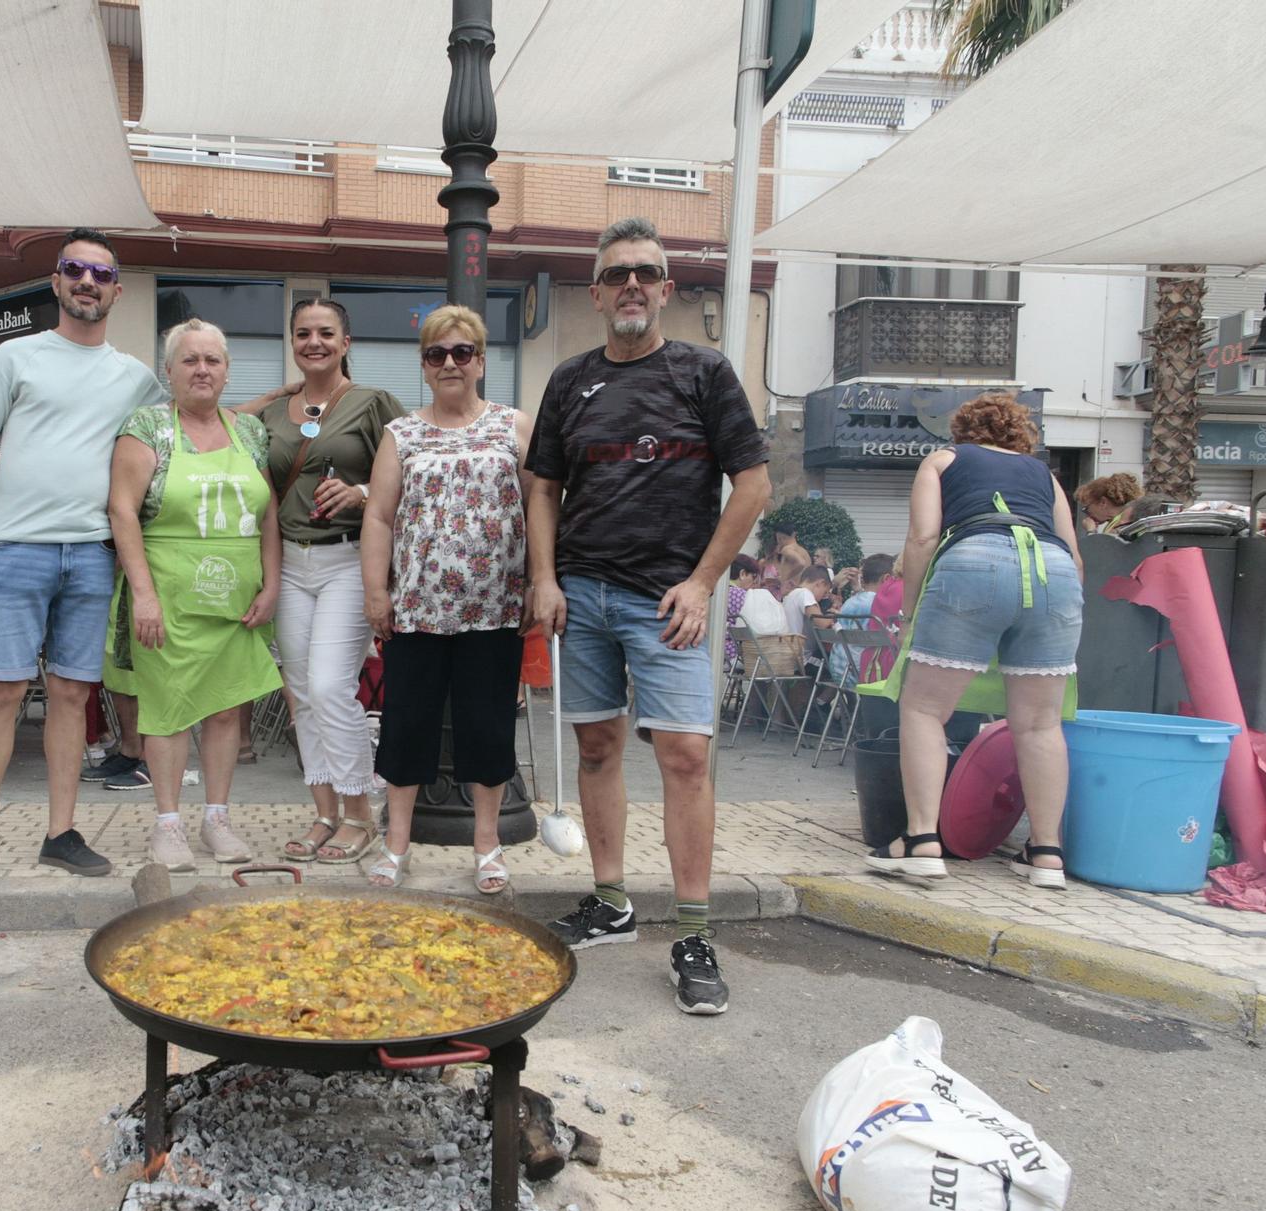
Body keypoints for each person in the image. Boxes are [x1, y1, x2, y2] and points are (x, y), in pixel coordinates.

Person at [525, 216, 772, 1018]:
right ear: (596, 294)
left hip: (669, 601)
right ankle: (609, 901)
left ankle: (694, 933)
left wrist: (703, 583)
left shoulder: (705, 373)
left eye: (647, 272)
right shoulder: (569, 381)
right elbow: (543, 490)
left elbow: (755, 486)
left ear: (666, 289)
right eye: (617, 273)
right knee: (597, 748)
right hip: (583, 597)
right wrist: (545, 578)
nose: (632, 283)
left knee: (685, 759)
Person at [0, 227, 167, 888]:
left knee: (72, 693)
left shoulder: (137, 378)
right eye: (76, 270)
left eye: (101, 274)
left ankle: (60, 833)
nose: (88, 282)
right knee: (2, 691)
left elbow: (182, 426)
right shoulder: (15, 357)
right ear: (58, 281)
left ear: (117, 291)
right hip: (16, 547)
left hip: (94, 552)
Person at [865, 392, 1083, 888]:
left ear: (963, 432)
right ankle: (1047, 854)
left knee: (924, 710)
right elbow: (1072, 550)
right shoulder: (1044, 475)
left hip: (975, 559)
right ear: (1019, 435)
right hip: (1055, 576)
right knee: (1040, 723)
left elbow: (923, 538)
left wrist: (912, 610)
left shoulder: (944, 460)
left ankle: (921, 842)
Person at [363, 305, 531, 893]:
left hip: (496, 610)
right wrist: (376, 592)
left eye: (462, 353)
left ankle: (487, 846)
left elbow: (540, 508)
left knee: (487, 729)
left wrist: (541, 579)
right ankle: (395, 843)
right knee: (407, 727)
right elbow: (380, 517)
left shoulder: (514, 426)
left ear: (481, 361)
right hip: (417, 610)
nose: (450, 363)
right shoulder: (401, 435)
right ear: (425, 367)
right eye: (437, 354)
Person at [106, 319, 282, 870]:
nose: (202, 369)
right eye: (190, 360)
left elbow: (268, 515)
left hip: (236, 601)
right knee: (167, 712)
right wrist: (144, 595)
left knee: (228, 710)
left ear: (227, 371)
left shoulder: (250, 433)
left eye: (213, 360)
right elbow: (122, 511)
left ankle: (217, 819)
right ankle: (167, 825)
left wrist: (272, 584)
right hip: (169, 597)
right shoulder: (148, 428)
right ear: (170, 371)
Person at [257, 297, 406, 864]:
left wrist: (362, 492)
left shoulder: (372, 403)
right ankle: (324, 812)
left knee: (328, 687)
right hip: (290, 565)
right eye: (302, 334)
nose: (313, 342)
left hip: (348, 560)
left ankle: (360, 814)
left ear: (346, 343)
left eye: (325, 333)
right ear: (292, 343)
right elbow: (207, 419)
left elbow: (410, 469)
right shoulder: (275, 412)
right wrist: (274, 395)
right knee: (300, 696)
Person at [828, 553, 895, 684]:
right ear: (886, 579)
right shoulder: (879, 605)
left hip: (838, 668)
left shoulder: (850, 602)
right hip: (863, 672)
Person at [1074, 472, 1141, 533]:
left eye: (1087, 508)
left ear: (1103, 502)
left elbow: (1100, 546)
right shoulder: (1128, 515)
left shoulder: (1121, 523)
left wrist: (1091, 531)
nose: (1088, 515)